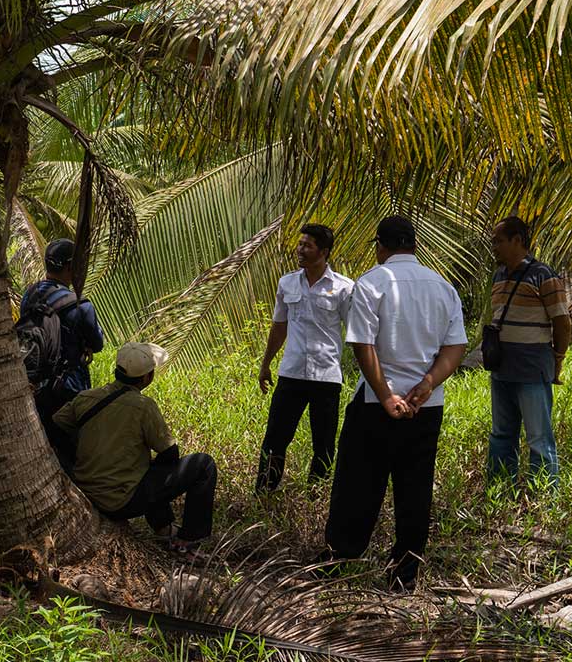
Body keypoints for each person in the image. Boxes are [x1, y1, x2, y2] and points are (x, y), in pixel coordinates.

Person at [321, 216, 467, 591]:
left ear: (381, 246)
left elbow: (362, 344)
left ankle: (339, 559)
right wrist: (428, 383)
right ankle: (404, 573)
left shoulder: (372, 282)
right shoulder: (442, 287)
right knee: (415, 489)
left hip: (376, 402)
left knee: (357, 483)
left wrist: (386, 395)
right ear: (414, 244)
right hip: (425, 406)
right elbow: (455, 347)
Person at [53, 342, 217, 554]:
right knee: (203, 464)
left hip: (86, 492)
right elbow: (170, 453)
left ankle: (164, 528)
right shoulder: (143, 406)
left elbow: (56, 427)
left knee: (149, 470)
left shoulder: (86, 397)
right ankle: (188, 538)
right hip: (120, 502)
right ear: (147, 377)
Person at [256, 224, 353, 493]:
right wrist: (266, 365)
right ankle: (264, 492)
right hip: (292, 374)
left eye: (307, 246)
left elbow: (356, 332)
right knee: (275, 438)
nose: (300, 250)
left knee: (323, 442)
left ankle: (316, 496)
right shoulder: (287, 283)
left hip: (326, 377)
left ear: (324, 252)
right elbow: (279, 327)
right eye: (300, 244)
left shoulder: (344, 288)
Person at [487, 216, 571, 488]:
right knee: (501, 435)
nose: (494, 247)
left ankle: (543, 498)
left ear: (518, 240)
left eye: (499, 241)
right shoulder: (499, 276)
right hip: (501, 369)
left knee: (538, 438)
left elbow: (562, 322)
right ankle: (500, 490)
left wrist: (558, 359)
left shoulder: (543, 275)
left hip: (532, 369)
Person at [20, 238, 104, 439]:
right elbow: (97, 343)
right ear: (70, 267)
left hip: (35, 385)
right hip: (69, 387)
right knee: (70, 443)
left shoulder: (29, 295)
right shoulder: (81, 306)